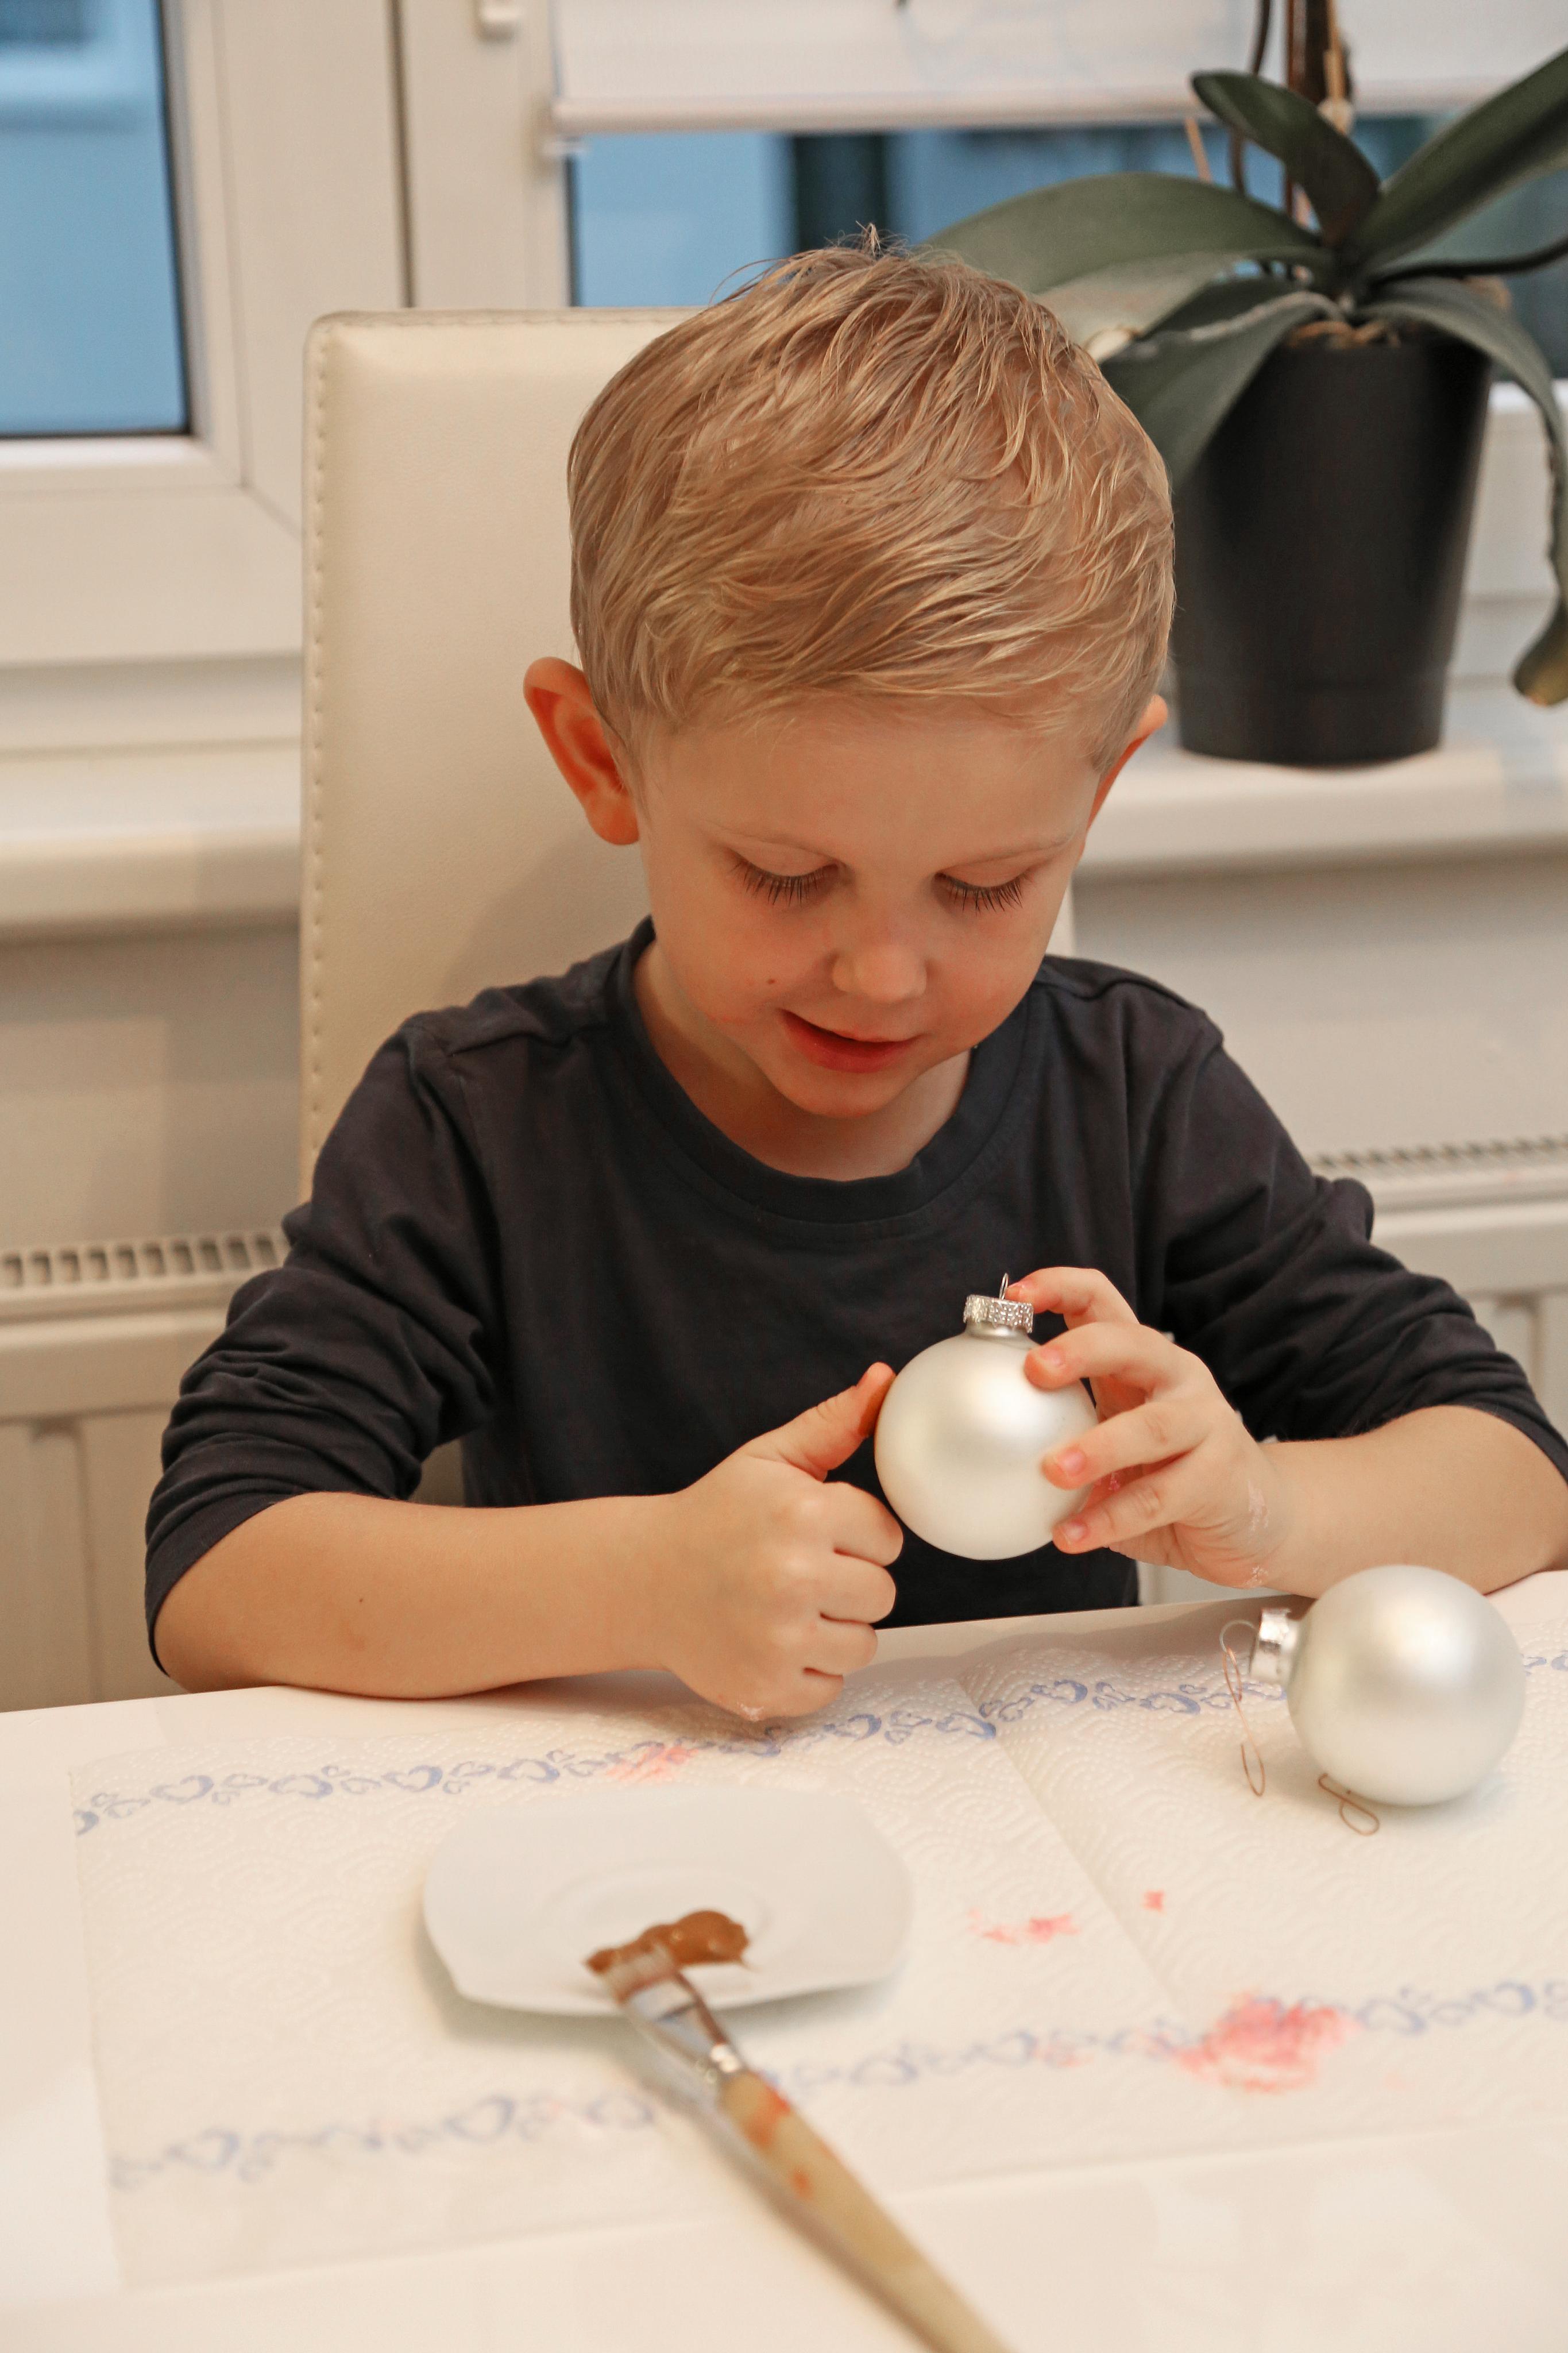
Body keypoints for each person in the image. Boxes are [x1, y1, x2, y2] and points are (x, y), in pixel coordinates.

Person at [148, 243, 1568, 1719]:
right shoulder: (478, 1125)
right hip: (635, 1833)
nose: (882, 975)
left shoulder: (1137, 1094)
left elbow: (1518, 1471)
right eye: (784, 874)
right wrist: (642, 1582)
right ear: (602, 760)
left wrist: (1265, 1507)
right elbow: (217, 1569)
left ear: (1095, 796)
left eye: (983, 885)